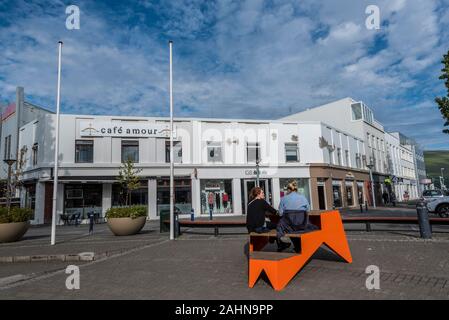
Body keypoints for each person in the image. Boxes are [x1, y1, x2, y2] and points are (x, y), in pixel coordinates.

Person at [277, 181, 318, 252]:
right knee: (297, 230)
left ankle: (284, 245)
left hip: (289, 226)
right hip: (302, 224)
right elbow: (308, 210)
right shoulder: (303, 198)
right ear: (296, 189)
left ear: (289, 189)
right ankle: (299, 247)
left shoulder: (284, 198)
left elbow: (280, 213)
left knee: (283, 227)